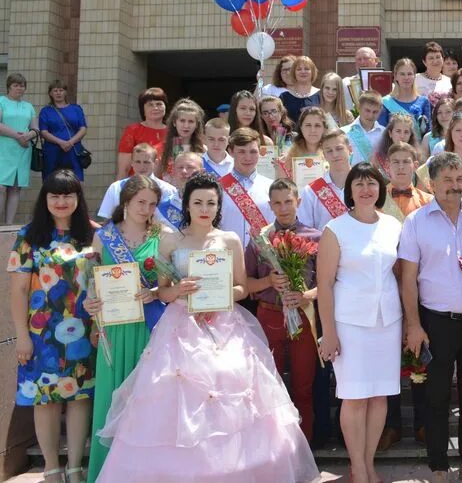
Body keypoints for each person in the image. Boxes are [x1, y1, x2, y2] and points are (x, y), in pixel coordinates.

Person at [94, 173, 319, 482]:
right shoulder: (170, 239)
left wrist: (223, 297)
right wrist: (179, 290)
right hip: (180, 327)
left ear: (218, 206)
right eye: (198, 202)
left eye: (211, 203)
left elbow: (243, 288)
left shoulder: (229, 239)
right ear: (186, 205)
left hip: (224, 324)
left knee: (232, 389)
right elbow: (162, 291)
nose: (204, 208)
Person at [400, 153, 462, 483]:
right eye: (448, 180)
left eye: (460, 180)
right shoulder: (416, 222)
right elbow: (408, 278)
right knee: (436, 397)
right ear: (431, 183)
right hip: (435, 323)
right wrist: (413, 325)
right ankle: (439, 468)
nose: (455, 187)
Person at [85, 175, 174, 481]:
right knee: (112, 399)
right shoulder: (104, 236)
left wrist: (155, 292)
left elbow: (169, 284)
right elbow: (91, 280)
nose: (146, 209)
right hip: (115, 328)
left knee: (146, 401)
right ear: (125, 201)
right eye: (140, 202)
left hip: (149, 328)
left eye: (152, 204)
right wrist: (90, 302)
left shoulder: (162, 235)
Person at [9, 170, 95, 483]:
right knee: (44, 398)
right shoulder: (28, 236)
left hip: (84, 331)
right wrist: (22, 336)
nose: (61, 201)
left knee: (80, 397)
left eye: (67, 195)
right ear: (45, 199)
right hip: (40, 333)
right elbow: (17, 290)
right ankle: (51, 468)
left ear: (78, 199)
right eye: (55, 196)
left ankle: (74, 466)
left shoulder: (93, 235)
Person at [318, 163, 402, 483]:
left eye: (372, 184)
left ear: (381, 189)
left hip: (387, 321)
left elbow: (399, 272)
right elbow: (324, 284)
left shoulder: (393, 225)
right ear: (349, 191)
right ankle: (358, 467)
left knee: (379, 396)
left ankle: (367, 464)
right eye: (359, 184)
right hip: (349, 323)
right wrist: (329, 333)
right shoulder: (335, 229)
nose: (366, 189)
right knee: (354, 397)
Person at [245, 178, 321, 442]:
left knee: (303, 385)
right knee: (269, 385)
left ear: (298, 201)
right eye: (277, 202)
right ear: (270, 205)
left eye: (288, 201)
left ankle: (305, 445)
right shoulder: (260, 240)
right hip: (269, 315)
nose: (283, 207)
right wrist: (268, 281)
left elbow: (327, 283)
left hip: (304, 315)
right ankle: (274, 446)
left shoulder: (315, 237)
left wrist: (306, 296)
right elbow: (244, 284)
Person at [377, 141, 432, 449]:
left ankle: (423, 422)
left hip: (419, 289)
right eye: (394, 161)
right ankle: (391, 424)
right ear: (387, 166)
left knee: (419, 353)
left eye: (405, 161)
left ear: (415, 165)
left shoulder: (427, 200)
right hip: (384, 288)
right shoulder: (374, 198)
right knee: (388, 358)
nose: (400, 166)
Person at [219, 127, 275, 251]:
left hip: (263, 260)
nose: (248, 157)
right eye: (242, 152)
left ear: (260, 152)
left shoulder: (271, 186)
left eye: (253, 152)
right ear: (231, 152)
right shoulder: (218, 187)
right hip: (227, 258)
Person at [96, 144, 178, 225]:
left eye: (146, 162)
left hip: (158, 236)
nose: (142, 167)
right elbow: (107, 219)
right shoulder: (116, 188)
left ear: (155, 163)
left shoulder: (168, 190)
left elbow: (176, 222)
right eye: (138, 162)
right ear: (131, 163)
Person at [0, 73, 38, 221]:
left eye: (22, 85)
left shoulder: (28, 106)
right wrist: (18, 136)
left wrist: (29, 135)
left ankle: (9, 224)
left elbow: (36, 129)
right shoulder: (1, 101)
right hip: (4, 149)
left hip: (22, 150)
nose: (19, 88)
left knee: (15, 188)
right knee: (1, 187)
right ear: (9, 86)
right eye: (16, 85)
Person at [298, 128, 351, 230]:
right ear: (324, 155)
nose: (334, 154)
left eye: (339, 149)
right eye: (329, 151)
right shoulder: (311, 191)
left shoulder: (364, 184)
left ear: (350, 149)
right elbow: (305, 230)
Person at [38, 79, 89, 181]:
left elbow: (83, 128)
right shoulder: (45, 111)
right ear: (50, 94)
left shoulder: (76, 109)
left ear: (65, 92)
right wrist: (60, 142)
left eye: (61, 90)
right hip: (52, 151)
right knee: (51, 182)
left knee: (77, 181)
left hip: (74, 150)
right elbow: (44, 131)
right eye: (55, 91)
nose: (58, 93)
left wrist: (70, 142)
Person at [116, 88, 168, 179]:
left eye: (159, 104)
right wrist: (119, 191)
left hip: (168, 187)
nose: (155, 107)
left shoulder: (174, 132)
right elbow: (124, 169)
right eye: (150, 105)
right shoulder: (133, 130)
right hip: (139, 185)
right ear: (142, 109)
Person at [381, 58, 432, 135]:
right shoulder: (385, 102)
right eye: (402, 74)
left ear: (414, 76)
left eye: (409, 74)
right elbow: (382, 131)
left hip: (417, 146)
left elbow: (428, 132)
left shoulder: (424, 101)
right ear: (395, 76)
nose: (406, 78)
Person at [158, 98, 206, 180]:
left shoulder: (203, 149)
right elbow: (156, 178)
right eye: (182, 121)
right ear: (174, 122)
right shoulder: (161, 149)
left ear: (197, 124)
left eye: (191, 121)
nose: (186, 125)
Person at [282, 107, 328, 179]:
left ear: (324, 128)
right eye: (308, 125)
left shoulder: (331, 152)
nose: (313, 130)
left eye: (317, 125)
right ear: (301, 127)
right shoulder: (290, 155)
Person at [344, 90, 387, 165]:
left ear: (380, 111)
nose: (371, 115)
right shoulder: (345, 132)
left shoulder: (384, 133)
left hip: (376, 175)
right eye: (367, 110)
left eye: (375, 112)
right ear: (359, 108)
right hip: (353, 175)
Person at [373, 112, 417, 178]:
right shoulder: (378, 157)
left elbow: (422, 185)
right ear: (390, 133)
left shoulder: (417, 157)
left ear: (410, 135)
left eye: (406, 132)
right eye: (398, 131)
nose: (402, 136)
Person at [280, 55, 322, 123]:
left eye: (307, 69)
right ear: (294, 73)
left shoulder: (321, 95)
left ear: (312, 72)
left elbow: (328, 121)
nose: (303, 71)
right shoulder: (284, 97)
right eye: (299, 69)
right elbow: (280, 123)